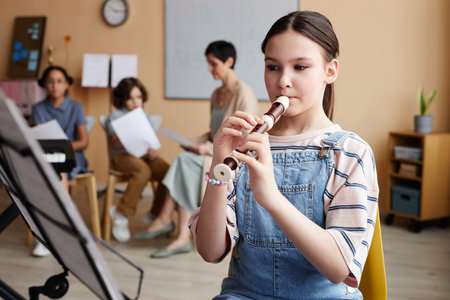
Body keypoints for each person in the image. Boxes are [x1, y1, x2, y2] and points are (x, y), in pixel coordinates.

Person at [190, 11, 379, 299]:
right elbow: (210, 251)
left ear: (330, 71)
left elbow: (340, 268)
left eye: (300, 67)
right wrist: (219, 165)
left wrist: (271, 198)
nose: (283, 81)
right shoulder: (245, 145)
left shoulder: (350, 153)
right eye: (273, 67)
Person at [134, 40, 258, 258]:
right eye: (208, 64)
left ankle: (168, 223)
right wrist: (193, 142)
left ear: (229, 62)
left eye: (213, 64)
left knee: (185, 163)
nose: (210, 69)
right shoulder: (216, 94)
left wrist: (204, 149)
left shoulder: (244, 93)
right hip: (213, 150)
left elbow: (242, 139)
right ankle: (177, 231)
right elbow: (214, 131)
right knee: (185, 160)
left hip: (231, 157)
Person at [31, 65, 89, 257]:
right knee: (48, 171)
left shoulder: (76, 107)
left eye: (59, 81)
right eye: (50, 81)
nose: (54, 86)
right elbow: (39, 138)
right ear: (44, 85)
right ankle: (54, 231)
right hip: (47, 158)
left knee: (58, 170)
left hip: (73, 157)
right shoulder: (38, 108)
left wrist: (64, 146)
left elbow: (83, 141)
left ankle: (56, 232)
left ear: (66, 85)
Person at [105, 77, 170, 243]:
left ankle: (156, 213)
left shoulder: (144, 116)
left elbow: (150, 142)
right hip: (122, 157)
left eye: (138, 97)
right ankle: (122, 213)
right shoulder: (115, 116)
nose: (135, 102)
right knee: (143, 171)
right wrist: (125, 134)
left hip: (143, 155)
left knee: (168, 171)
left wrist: (153, 152)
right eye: (130, 98)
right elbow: (116, 142)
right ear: (122, 99)